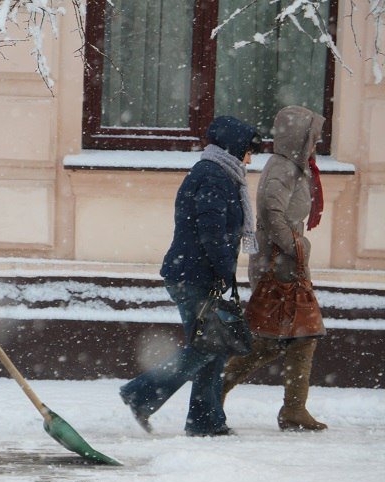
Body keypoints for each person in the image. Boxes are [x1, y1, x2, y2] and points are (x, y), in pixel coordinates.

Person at [119, 116, 261, 437]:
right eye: (248, 151)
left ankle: (205, 421)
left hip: (196, 273)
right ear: (233, 146)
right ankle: (141, 394)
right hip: (193, 275)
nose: (250, 159)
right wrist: (225, 270)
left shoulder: (220, 174)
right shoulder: (213, 177)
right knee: (205, 346)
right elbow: (210, 230)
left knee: (213, 345)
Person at [222, 105, 328, 432]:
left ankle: (293, 409)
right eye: (313, 136)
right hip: (279, 264)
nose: (318, 142)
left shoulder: (295, 167)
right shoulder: (283, 168)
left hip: (285, 262)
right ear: (300, 137)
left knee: (296, 336)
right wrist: (297, 247)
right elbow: (271, 212)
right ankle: (215, 392)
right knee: (285, 337)